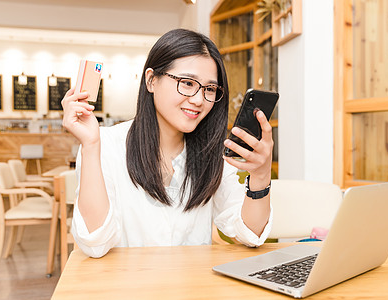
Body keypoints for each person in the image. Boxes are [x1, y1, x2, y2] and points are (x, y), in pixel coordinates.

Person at [61, 28, 274, 258]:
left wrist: (261, 176)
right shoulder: (106, 145)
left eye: (210, 89)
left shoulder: (212, 153)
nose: (198, 99)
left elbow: (250, 234)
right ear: (151, 80)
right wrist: (91, 146)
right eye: (187, 83)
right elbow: (96, 244)